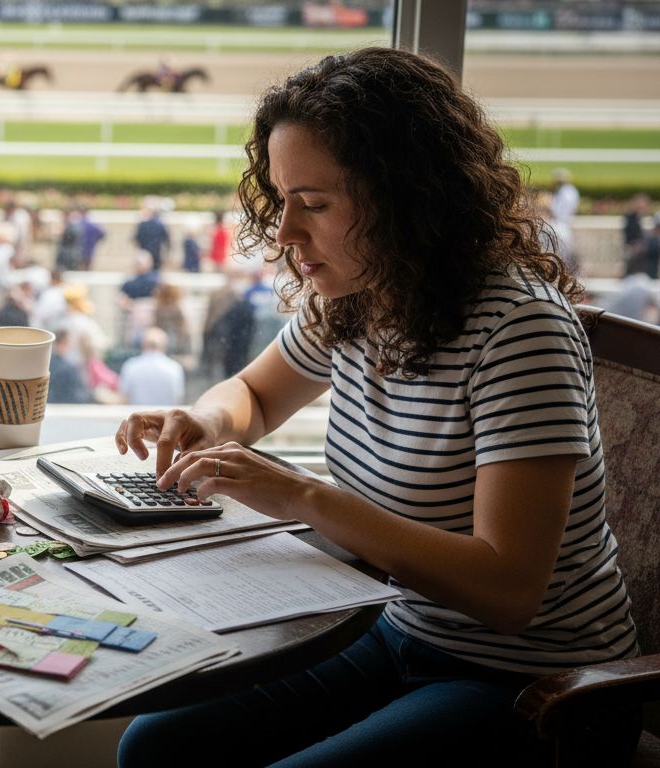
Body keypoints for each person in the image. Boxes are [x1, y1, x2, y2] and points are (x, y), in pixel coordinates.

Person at [116, 47, 638, 767]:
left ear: (407, 197)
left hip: (532, 683)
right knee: (155, 746)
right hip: (399, 631)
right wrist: (207, 420)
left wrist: (300, 495)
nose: (287, 232)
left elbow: (508, 590)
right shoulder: (361, 295)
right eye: (282, 196)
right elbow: (255, 395)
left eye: (317, 204)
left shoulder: (521, 331)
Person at [118, 327, 184, 406]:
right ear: (164, 345)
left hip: (137, 416)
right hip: (164, 417)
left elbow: (123, 398)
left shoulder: (130, 366)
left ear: (143, 344)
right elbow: (177, 399)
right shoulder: (174, 368)